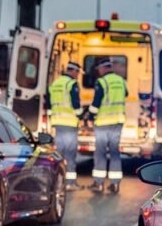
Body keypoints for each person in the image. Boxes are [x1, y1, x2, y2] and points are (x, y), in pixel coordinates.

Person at [87, 58, 127, 193]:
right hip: (118, 122)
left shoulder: (102, 82)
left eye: (99, 69)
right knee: (115, 153)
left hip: (103, 123)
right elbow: (126, 94)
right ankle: (115, 184)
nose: (98, 71)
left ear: (103, 68)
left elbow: (96, 103)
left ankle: (99, 183)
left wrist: (90, 116)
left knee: (100, 153)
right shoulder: (121, 81)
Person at [45, 61, 84, 190]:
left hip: (57, 123)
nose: (77, 75)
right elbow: (75, 104)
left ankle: (56, 181)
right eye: (77, 72)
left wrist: (52, 118)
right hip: (70, 123)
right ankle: (70, 183)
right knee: (70, 153)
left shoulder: (55, 84)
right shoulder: (71, 84)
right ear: (73, 71)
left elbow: (49, 104)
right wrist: (81, 116)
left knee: (59, 153)